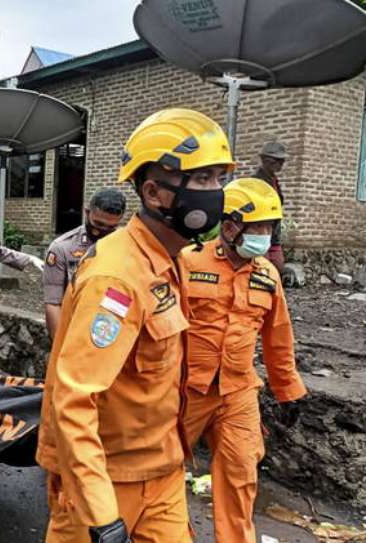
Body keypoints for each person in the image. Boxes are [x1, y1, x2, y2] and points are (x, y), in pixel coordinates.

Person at [37, 108, 235, 543]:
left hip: (163, 472)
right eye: (203, 180)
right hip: (108, 481)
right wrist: (102, 514)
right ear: (154, 192)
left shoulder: (169, 261)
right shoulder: (116, 277)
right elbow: (73, 399)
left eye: (220, 178)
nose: (217, 193)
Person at [181, 177, 307, 542]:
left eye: (270, 228)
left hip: (238, 392)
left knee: (241, 474)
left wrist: (288, 389)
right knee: (159, 467)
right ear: (231, 225)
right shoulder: (188, 262)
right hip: (184, 389)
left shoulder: (267, 275)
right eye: (259, 227)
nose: (265, 236)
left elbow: (278, 336)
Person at [42, 188, 126, 338]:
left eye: (111, 227)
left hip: (113, 330)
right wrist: (59, 349)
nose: (103, 231)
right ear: (87, 212)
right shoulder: (62, 248)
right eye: (98, 224)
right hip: (75, 330)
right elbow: (53, 304)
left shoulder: (125, 247)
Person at [253, 141, 288, 272]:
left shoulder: (274, 180)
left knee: (278, 270)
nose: (279, 165)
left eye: (281, 161)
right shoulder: (257, 181)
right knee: (262, 271)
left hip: (274, 234)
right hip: (260, 233)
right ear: (264, 160)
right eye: (275, 161)